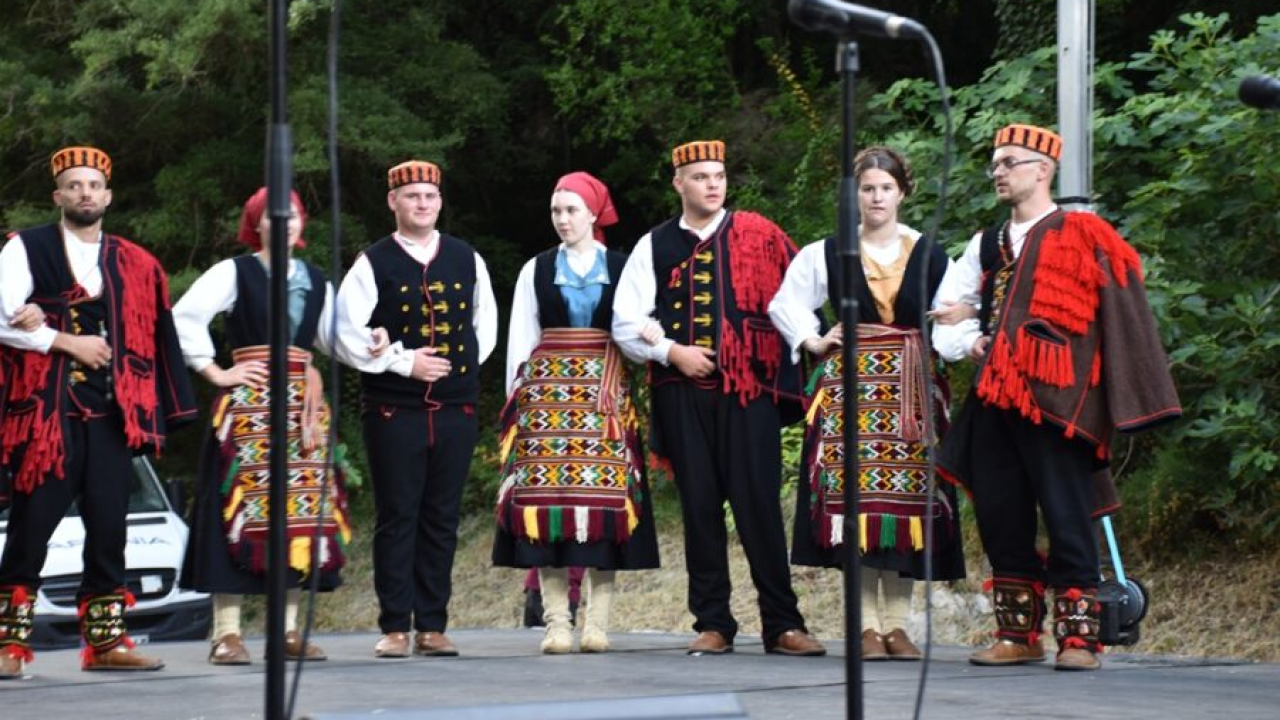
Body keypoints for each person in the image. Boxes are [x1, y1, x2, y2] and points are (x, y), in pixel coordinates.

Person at [932, 124, 1181, 671]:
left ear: (1043, 169)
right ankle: (1017, 634)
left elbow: (1117, 313)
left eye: (1009, 162)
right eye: (995, 164)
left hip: (1061, 405)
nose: (998, 172)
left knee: (1069, 517)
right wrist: (973, 339)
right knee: (1000, 516)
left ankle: (1079, 639)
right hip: (996, 400)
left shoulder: (1083, 233)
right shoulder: (985, 245)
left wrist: (1119, 394)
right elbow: (945, 313)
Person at [612, 140, 824, 656]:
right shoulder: (653, 245)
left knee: (759, 506)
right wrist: (671, 352)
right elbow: (625, 321)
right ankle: (713, 622)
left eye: (719, 176)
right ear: (678, 183)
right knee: (700, 507)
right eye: (701, 177)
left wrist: (809, 341)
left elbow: (801, 299)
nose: (712, 185)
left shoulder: (761, 235)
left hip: (749, 392)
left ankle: (783, 623)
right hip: (682, 393)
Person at [0, 146, 197, 677]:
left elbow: (158, 335)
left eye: (93, 186)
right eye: (74, 185)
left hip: (112, 416)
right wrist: (66, 339)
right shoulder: (25, 249)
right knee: (31, 528)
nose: (84, 193)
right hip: (47, 417)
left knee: (110, 530)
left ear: (107, 196)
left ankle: (107, 644)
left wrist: (167, 407)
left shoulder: (136, 262)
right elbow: (1, 319)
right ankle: (7, 646)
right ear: (58, 195)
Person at [768, 146, 968, 661]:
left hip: (911, 395)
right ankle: (865, 626)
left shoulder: (930, 254)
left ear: (903, 192)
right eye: (867, 189)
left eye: (885, 188)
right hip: (849, 394)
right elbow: (785, 303)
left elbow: (951, 319)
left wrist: (955, 347)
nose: (877, 197)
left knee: (903, 507)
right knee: (857, 507)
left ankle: (897, 626)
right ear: (854, 195)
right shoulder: (828, 251)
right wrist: (813, 339)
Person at [173, 187, 355, 665]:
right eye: (274, 216)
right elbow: (184, 318)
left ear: (302, 223)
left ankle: (287, 631)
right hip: (248, 406)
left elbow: (338, 339)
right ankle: (227, 633)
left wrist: (376, 344)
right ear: (257, 224)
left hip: (302, 410)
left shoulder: (316, 280)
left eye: (292, 215)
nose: (285, 223)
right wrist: (214, 371)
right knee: (234, 510)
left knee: (301, 515)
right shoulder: (234, 272)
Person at [335, 160, 497, 659]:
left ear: (440, 201)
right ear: (393, 201)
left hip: (455, 407)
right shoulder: (372, 262)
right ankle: (394, 626)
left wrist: (456, 369)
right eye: (412, 196)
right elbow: (343, 334)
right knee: (397, 515)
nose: (422, 204)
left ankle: (431, 624)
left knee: (442, 516)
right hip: (393, 409)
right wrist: (403, 362)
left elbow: (485, 326)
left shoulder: (466, 257)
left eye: (430, 196)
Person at [493, 172, 660, 654]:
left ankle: (597, 624)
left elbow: (641, 324)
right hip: (547, 401)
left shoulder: (624, 267)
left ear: (593, 213)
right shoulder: (537, 269)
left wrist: (652, 334)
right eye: (556, 211)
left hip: (603, 399)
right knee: (547, 510)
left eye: (572, 210)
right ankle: (556, 623)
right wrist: (517, 402)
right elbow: (521, 338)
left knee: (605, 510)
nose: (563, 219)